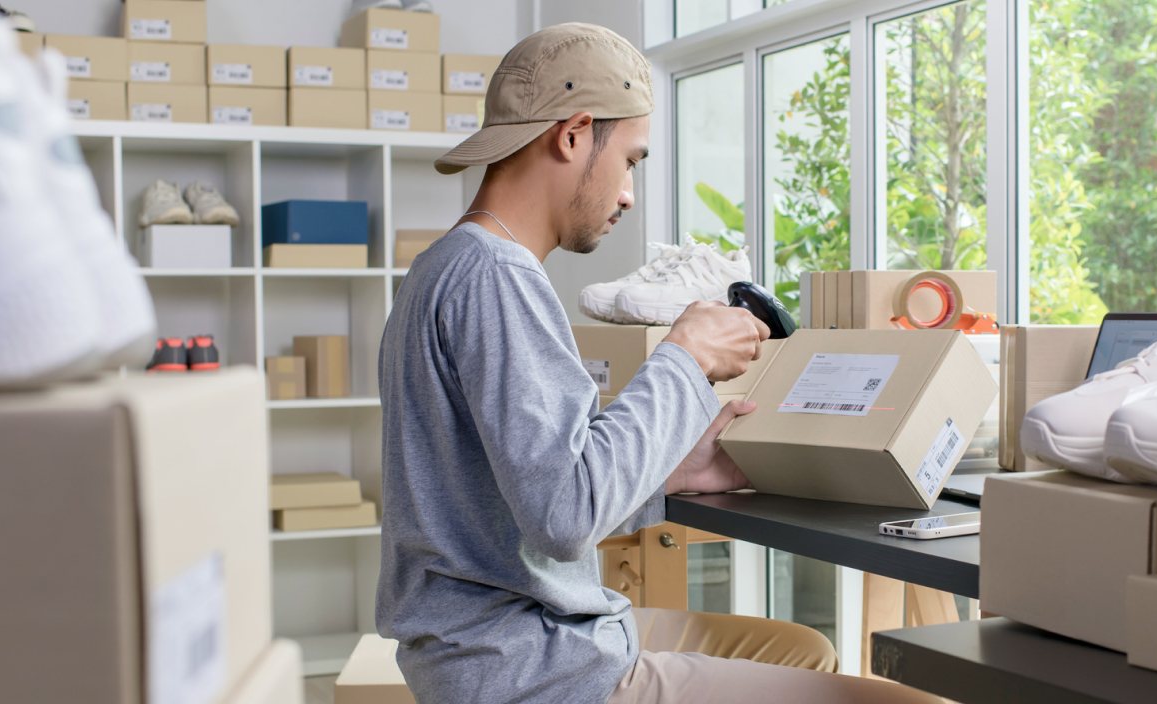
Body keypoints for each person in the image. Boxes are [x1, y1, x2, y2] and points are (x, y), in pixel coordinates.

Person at [377, 21, 941, 704]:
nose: (628, 195)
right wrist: (684, 356)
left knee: (803, 649)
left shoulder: (446, 266)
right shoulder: (496, 278)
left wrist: (673, 470)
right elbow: (564, 516)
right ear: (574, 133)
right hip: (532, 667)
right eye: (632, 161)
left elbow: (516, 492)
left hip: (491, 645)